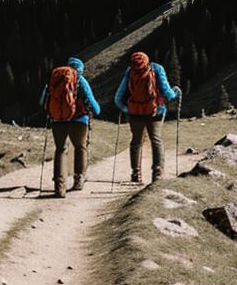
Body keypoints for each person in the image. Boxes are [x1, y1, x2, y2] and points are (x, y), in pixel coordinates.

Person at [114, 51, 180, 183]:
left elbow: (118, 97)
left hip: (135, 113)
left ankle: (135, 174)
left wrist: (126, 108)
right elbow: (167, 92)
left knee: (136, 142)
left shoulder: (130, 71)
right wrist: (175, 93)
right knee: (156, 140)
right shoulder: (156, 68)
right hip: (155, 112)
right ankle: (157, 173)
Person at [39, 57, 101, 197]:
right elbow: (94, 105)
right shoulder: (80, 80)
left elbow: (43, 101)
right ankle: (79, 180)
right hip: (79, 120)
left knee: (61, 150)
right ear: (80, 69)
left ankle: (59, 187)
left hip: (58, 120)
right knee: (80, 148)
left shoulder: (55, 80)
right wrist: (95, 110)